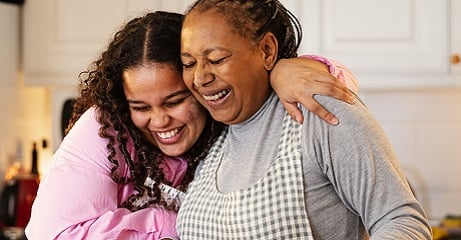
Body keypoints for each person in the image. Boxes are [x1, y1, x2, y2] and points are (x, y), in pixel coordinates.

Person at [25, 10, 357, 240]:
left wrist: (286, 70)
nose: (159, 120)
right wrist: (177, 224)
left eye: (174, 101)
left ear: (200, 81)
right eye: (140, 106)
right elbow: (49, 233)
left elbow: (340, 89)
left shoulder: (231, 113)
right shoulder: (105, 128)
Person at [176, 0, 433, 239]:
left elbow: (403, 221)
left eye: (217, 59)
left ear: (267, 50)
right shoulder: (210, 134)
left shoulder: (317, 111)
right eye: (188, 63)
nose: (200, 78)